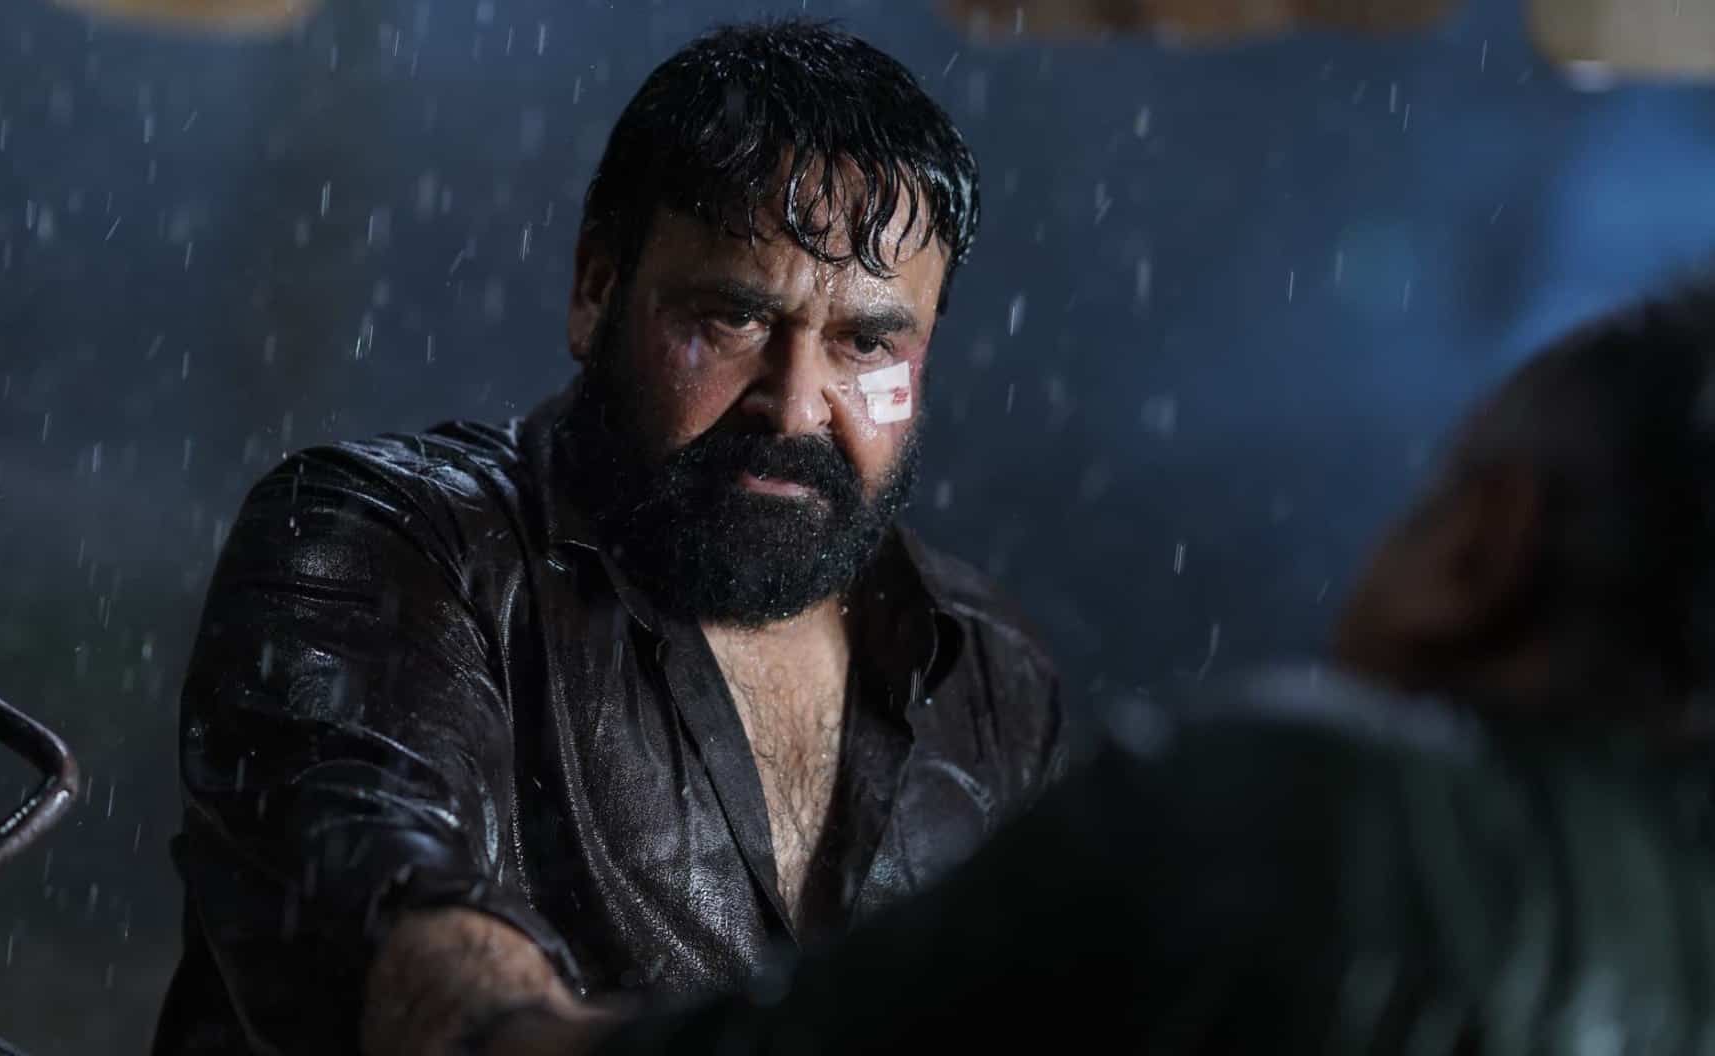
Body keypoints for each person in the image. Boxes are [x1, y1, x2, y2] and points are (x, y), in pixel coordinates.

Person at [149, 18, 1070, 1056]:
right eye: (735, 319)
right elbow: (371, 892)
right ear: (598, 290)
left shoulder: (989, 675)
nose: (795, 403)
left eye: (866, 342)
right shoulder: (384, 543)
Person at [581, 286, 1715, 1054]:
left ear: (1485, 546)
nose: (796, 399)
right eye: (735, 315)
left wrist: (501, 1013)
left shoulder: (1312, 829)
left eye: (1440, 491)